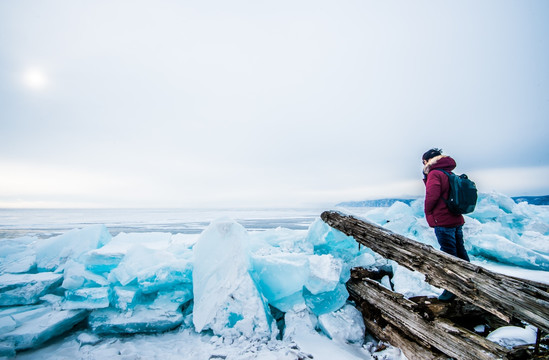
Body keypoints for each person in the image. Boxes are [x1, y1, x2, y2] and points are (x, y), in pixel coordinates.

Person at [422, 148, 470, 301]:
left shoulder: (435, 173)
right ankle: (468, 282)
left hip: (443, 220)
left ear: (428, 161)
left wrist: (428, 213)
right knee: (460, 252)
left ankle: (451, 289)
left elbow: (432, 196)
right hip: (455, 218)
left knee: (448, 255)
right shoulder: (449, 173)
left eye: (423, 162)